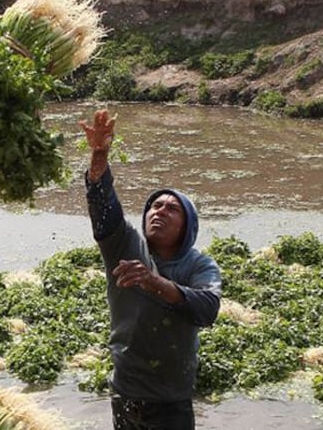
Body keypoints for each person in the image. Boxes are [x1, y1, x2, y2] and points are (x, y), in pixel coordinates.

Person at [79, 109, 222, 430]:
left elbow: (207, 309)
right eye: (156, 206)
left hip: (172, 399)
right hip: (126, 391)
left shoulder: (199, 265)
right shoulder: (125, 245)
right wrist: (99, 157)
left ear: (188, 225)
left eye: (172, 209)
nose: (160, 212)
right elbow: (104, 208)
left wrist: (153, 281)